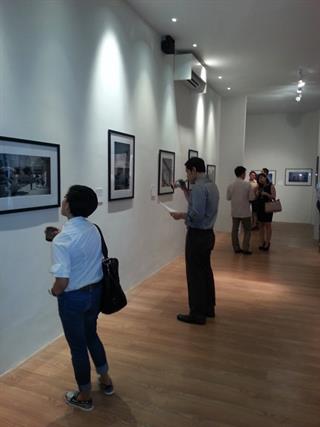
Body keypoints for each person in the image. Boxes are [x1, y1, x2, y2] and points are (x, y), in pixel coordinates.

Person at [46, 185, 113, 411]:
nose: (62, 201)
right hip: (95, 292)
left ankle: (84, 396)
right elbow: (84, 248)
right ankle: (105, 380)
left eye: (65, 198)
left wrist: (54, 291)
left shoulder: (63, 240)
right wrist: (59, 236)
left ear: (69, 205)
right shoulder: (93, 229)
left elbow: (62, 282)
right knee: (91, 336)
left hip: (73, 298)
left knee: (77, 347)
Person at [170, 157, 219, 325]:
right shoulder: (212, 185)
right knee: (205, 271)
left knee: (194, 274)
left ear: (193, 170)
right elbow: (197, 205)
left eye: (187, 172)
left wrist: (180, 216)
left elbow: (196, 214)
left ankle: (197, 313)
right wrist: (184, 189)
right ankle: (208, 308)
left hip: (197, 235)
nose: (186, 175)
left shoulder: (198, 187)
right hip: (208, 234)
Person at [227, 166, 255, 254]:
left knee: (234, 230)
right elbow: (251, 198)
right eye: (245, 173)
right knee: (247, 230)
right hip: (245, 212)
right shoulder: (247, 185)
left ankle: (236, 248)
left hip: (235, 211)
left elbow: (228, 198)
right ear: (243, 174)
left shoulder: (231, 185)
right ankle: (245, 248)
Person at [255, 173, 276, 251]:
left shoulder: (271, 185)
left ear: (265, 178)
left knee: (268, 225)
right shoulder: (258, 186)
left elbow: (274, 197)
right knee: (260, 225)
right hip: (260, 207)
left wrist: (266, 194)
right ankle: (262, 242)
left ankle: (267, 242)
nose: (261, 179)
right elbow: (255, 196)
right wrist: (257, 193)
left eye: (262, 177)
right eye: (259, 178)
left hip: (268, 207)